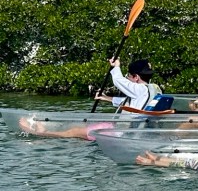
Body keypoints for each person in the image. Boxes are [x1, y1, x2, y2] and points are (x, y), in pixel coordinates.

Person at [19, 57, 163, 140]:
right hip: (131, 132)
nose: (128, 79)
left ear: (136, 77)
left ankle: (41, 134)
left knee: (73, 132)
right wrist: (106, 98)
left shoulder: (139, 88)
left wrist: (116, 66)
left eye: (129, 76)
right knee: (79, 135)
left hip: (122, 134)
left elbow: (118, 81)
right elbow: (132, 105)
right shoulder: (153, 89)